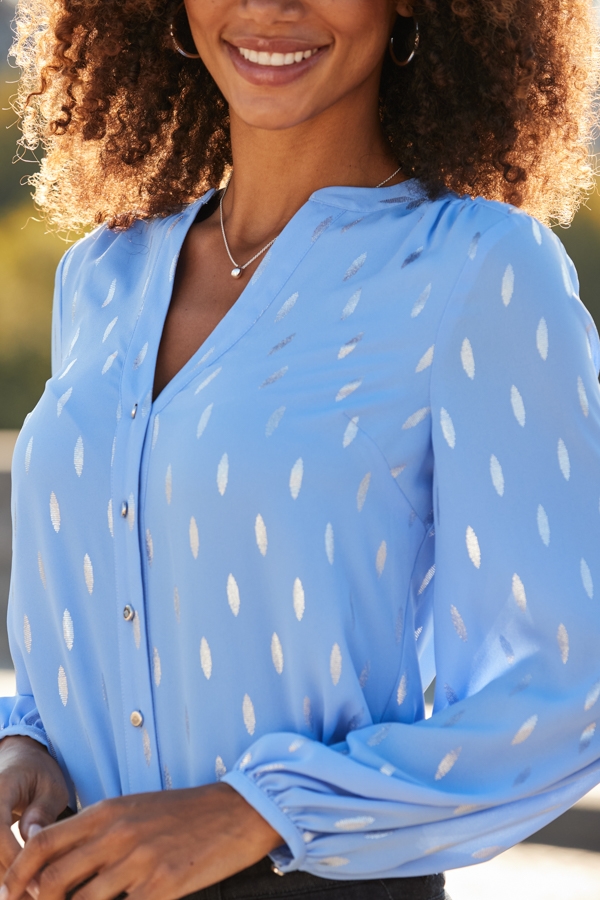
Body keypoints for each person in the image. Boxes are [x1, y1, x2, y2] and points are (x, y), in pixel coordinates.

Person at [0, 0, 599, 898]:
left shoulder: (480, 269)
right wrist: (29, 742)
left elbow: (572, 690)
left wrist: (254, 810)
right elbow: (89, 613)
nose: (269, 8)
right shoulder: (103, 273)